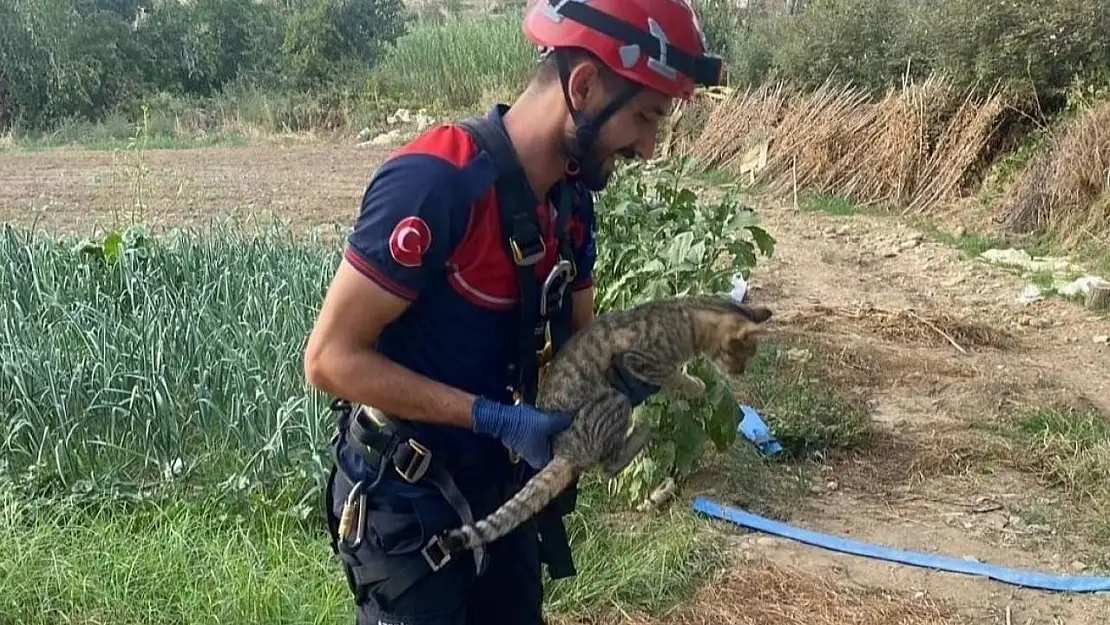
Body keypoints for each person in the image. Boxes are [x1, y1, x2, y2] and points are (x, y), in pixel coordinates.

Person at [301, 1, 724, 623]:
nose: (649, 146)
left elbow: (580, 348)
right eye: (644, 117)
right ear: (583, 86)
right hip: (405, 500)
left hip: (504, 495)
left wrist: (622, 384)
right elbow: (329, 360)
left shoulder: (571, 203)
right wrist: (492, 417)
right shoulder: (435, 183)